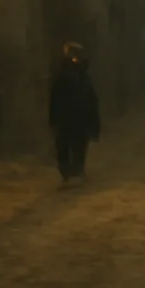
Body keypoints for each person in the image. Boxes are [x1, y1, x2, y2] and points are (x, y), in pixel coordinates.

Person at [49, 42, 101, 184]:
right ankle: (67, 174)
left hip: (80, 117)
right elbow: (54, 98)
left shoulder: (84, 76)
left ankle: (77, 172)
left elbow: (91, 100)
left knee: (79, 146)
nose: (74, 57)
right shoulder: (61, 75)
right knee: (63, 147)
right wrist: (53, 119)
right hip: (65, 118)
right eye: (72, 54)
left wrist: (94, 122)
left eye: (76, 54)